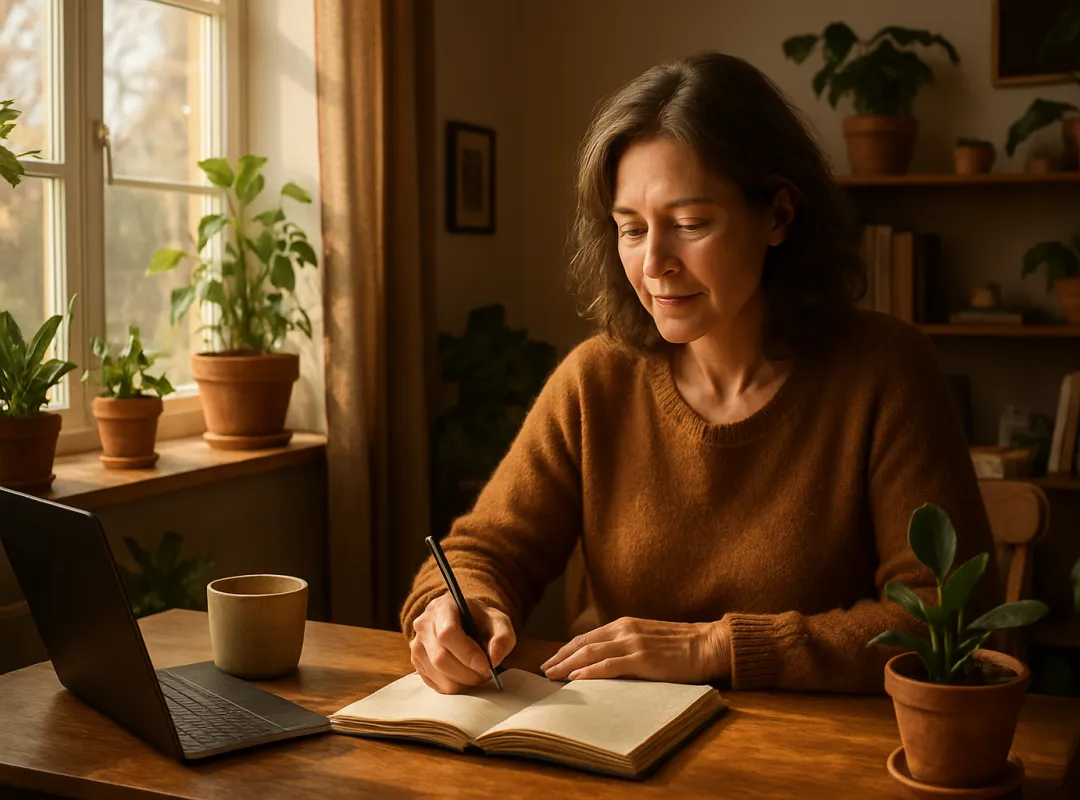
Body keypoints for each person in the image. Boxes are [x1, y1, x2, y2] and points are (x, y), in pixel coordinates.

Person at [401, 51, 998, 695]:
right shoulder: (595, 381)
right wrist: (456, 610)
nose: (655, 262)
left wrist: (716, 647)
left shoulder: (886, 373)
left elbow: (950, 620)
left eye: (689, 224)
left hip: (823, 760)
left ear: (778, 216)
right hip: (626, 748)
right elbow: (481, 553)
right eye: (631, 229)